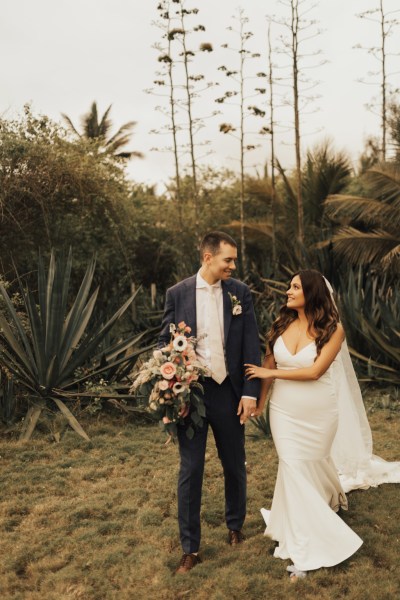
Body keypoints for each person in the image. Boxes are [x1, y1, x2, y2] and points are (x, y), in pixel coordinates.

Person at [245, 269, 364, 581]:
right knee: (292, 464)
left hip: (319, 411)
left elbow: (314, 372)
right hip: (284, 411)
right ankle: (305, 541)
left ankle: (325, 501)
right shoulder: (282, 323)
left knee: (311, 462)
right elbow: (268, 363)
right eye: (289, 285)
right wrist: (260, 401)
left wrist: (270, 375)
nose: (288, 291)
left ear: (311, 292)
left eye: (295, 286)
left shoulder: (333, 330)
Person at [159, 231, 261, 574]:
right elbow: (165, 343)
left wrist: (250, 393)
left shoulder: (240, 293)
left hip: (230, 393)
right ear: (208, 258)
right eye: (228, 260)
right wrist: (175, 389)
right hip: (193, 396)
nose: (233, 265)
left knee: (234, 463)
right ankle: (190, 548)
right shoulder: (178, 293)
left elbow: (251, 346)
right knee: (191, 469)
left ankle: (235, 526)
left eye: (234, 260)